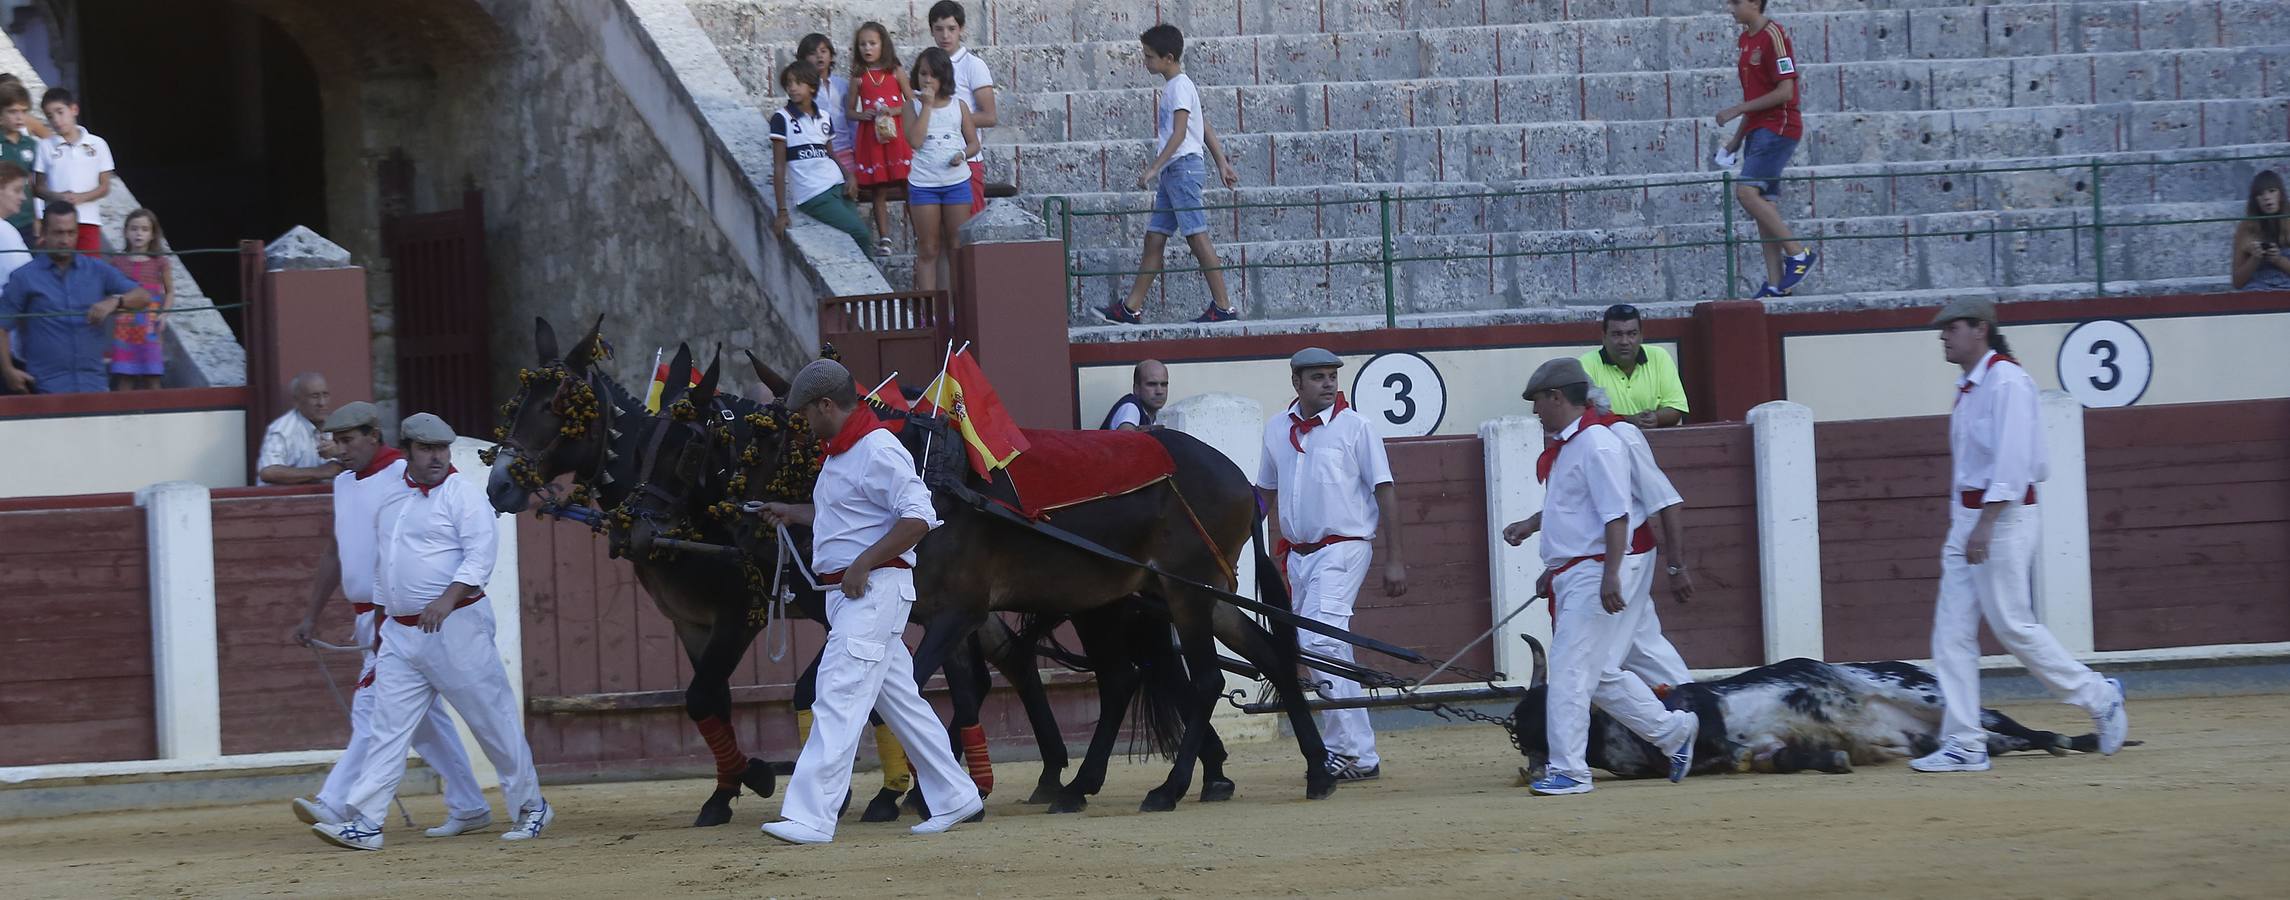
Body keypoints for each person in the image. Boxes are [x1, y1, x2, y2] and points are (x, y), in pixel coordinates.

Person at [753, 359, 984, 844]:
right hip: (859, 594)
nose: (804, 423)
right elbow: (845, 514)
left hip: (872, 590)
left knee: (835, 695)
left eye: (806, 414)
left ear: (826, 406)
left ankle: (811, 816)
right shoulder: (843, 452)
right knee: (903, 704)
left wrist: (862, 563)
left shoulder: (876, 448)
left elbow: (918, 515)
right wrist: (793, 513)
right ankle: (956, 795)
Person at [313, 413, 554, 850]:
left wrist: (445, 600)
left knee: (491, 722)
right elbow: (385, 569)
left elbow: (480, 558)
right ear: (407, 451)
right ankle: (367, 822)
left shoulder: (464, 495)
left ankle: (530, 806)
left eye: (443, 449)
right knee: (387, 728)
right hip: (402, 635)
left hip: (457, 626)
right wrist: (383, 632)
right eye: (427, 449)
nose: (438, 457)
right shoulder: (392, 500)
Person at [1912, 299, 2128, 773]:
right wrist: (1966, 526)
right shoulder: (1973, 385)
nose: (1944, 337)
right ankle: (1964, 742)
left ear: (1981, 330)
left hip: (2000, 519)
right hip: (1970, 520)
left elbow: (2014, 463)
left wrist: (1985, 523)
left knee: (2012, 625)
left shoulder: (2006, 381)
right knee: (1950, 634)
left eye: (1953, 328)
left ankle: (2099, 695)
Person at [286, 401, 490, 839]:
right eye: (334, 441)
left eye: (347, 440)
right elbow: (337, 551)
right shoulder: (343, 483)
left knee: (375, 710)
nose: (339, 449)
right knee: (425, 725)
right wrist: (312, 613)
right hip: (372, 614)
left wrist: (389, 617)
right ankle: (470, 804)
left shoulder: (403, 473)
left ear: (373, 436)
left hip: (407, 617)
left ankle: (338, 802)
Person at [1509, 357, 1697, 797]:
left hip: (1594, 572)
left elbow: (1618, 516)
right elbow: (1574, 516)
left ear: (1558, 397)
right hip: (1576, 571)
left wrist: (1611, 574)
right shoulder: (1574, 445)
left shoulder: (1599, 443)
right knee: (1598, 672)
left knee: (1572, 671)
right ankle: (1674, 733)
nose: (1535, 411)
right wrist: (1552, 569)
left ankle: (1571, 769)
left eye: (1538, 401)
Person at [1256, 347, 1408, 782]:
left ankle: (1350, 751)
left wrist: (1395, 558)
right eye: (1318, 377)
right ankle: (1357, 753)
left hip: (1345, 547)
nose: (1328, 384)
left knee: (1318, 643)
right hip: (1299, 556)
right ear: (1296, 383)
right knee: (1328, 646)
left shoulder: (1357, 427)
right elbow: (1264, 493)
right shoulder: (1275, 428)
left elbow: (1385, 490)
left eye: (1332, 377)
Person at [1507, 385, 1698, 694]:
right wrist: (1541, 539)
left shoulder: (1619, 436)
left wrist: (1676, 566)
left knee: (1597, 662)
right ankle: (1695, 706)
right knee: (1642, 645)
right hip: (1604, 556)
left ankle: (1667, 724)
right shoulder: (1577, 441)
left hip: (1623, 557)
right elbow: (1580, 512)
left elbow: (1665, 501)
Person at [1099, 24, 1244, 326]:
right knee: (1154, 238)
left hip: (1181, 169)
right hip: (1176, 170)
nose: (1146, 62)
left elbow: (1179, 135)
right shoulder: (1179, 86)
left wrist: (1153, 167)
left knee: (1196, 235)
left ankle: (1223, 305)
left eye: (1150, 57)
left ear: (1168, 57)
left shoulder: (1178, 86)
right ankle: (1130, 308)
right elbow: (1202, 127)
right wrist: (1222, 163)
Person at [1716, 0, 1816, 299]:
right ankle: (1775, 284)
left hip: (1780, 127)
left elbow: (1785, 91)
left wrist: (1736, 109)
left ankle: (1798, 254)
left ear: (1754, 3)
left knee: (1746, 193)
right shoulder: (1746, 39)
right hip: (1759, 131)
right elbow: (1757, 96)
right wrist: (1736, 141)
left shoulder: (1775, 35)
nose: (1729, 8)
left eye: (1735, 2)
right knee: (1764, 206)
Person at [0, 203, 148, 394]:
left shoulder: (98, 270)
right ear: (44, 232)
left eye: (71, 233)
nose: (65, 240)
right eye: (58, 233)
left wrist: (114, 302)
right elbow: (2, 326)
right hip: (46, 388)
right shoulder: (24, 277)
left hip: (94, 385)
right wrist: (7, 371)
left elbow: (143, 296)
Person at [771, 60, 874, 256]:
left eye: (798, 83)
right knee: (860, 232)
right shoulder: (781, 118)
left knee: (857, 237)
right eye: (789, 83)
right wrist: (782, 210)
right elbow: (778, 167)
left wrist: (849, 176)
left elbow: (830, 153)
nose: (792, 88)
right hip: (814, 193)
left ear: (811, 86)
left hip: (837, 186)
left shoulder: (824, 117)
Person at [900, 47, 979, 294]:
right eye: (923, 73)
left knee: (955, 247)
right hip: (924, 184)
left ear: (944, 77)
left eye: (933, 75)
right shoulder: (910, 107)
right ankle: (930, 310)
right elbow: (915, 140)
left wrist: (962, 155)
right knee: (928, 248)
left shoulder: (960, 106)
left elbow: (974, 143)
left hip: (956, 182)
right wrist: (927, 105)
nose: (927, 80)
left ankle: (956, 307)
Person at [846, 21, 910, 259]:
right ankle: (885, 237)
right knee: (879, 190)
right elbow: (849, 111)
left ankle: (919, 233)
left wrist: (893, 111)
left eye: (872, 43)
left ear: (883, 44)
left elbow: (912, 101)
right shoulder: (859, 76)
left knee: (907, 185)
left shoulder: (895, 71)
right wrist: (864, 114)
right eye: (862, 44)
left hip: (897, 137)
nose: (867, 48)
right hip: (872, 138)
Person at [927, 1, 995, 217]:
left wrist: (949, 120)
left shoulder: (973, 65)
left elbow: (990, 116)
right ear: (931, 31)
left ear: (961, 29)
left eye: (951, 28)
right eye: (939, 29)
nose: (945, 35)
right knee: (938, 235)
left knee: (970, 230)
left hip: (965, 159)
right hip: (931, 162)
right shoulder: (927, 66)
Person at [1577, 304, 1689, 427]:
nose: (1624, 341)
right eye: (1617, 334)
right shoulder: (1586, 364)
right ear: (1604, 337)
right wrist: (1629, 420)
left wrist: (1656, 418)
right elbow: (1583, 416)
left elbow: (1676, 408)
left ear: (1641, 336)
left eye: (1632, 334)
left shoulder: (1659, 357)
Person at [32, 88, 112, 254]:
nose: (56, 120)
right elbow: (38, 187)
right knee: (56, 269)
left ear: (74, 109)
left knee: (88, 269)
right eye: (50, 116)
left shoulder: (98, 144)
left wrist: (81, 197)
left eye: (60, 112)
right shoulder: (45, 146)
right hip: (56, 222)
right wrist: (59, 197)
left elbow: (105, 186)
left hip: (87, 220)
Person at [108, 208, 170, 390]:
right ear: (126, 232)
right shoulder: (117, 262)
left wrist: (164, 315)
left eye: (144, 229)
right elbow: (111, 290)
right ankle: (121, 416)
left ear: (152, 234)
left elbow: (170, 291)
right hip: (124, 326)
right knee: (125, 376)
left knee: (153, 375)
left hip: (150, 326)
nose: (139, 234)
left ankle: (158, 415)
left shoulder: (160, 262)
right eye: (134, 229)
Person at [256, 372, 346, 485]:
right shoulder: (283, 430)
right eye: (315, 396)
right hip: (287, 500)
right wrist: (319, 472)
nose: (322, 403)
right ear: (296, 401)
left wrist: (339, 453)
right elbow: (268, 472)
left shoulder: (340, 425)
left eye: (325, 395)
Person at [799, 34, 858, 199]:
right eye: (812, 53)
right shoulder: (803, 90)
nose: (819, 56)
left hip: (845, 148)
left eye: (823, 51)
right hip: (821, 152)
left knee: (850, 192)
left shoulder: (842, 85)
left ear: (831, 55)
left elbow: (850, 119)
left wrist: (856, 147)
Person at [2231, 170, 2290, 291]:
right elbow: (2237, 282)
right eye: (2260, 194)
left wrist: (2278, 260)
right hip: (2256, 290)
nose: (2267, 198)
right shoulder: (2246, 228)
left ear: (2281, 195)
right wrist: (2255, 259)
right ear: (2255, 200)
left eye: (2272, 191)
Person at [0, 81, 37, 245]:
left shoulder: (32, 145)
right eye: (13, 111)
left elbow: (35, 185)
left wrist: (38, 218)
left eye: (23, 111)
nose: (19, 117)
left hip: (27, 221)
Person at [1100, 359, 1169, 430]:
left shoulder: (1158, 415)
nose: (1159, 391)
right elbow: (1127, 436)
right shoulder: (1131, 406)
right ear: (1137, 389)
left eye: (1164, 385)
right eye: (1151, 384)